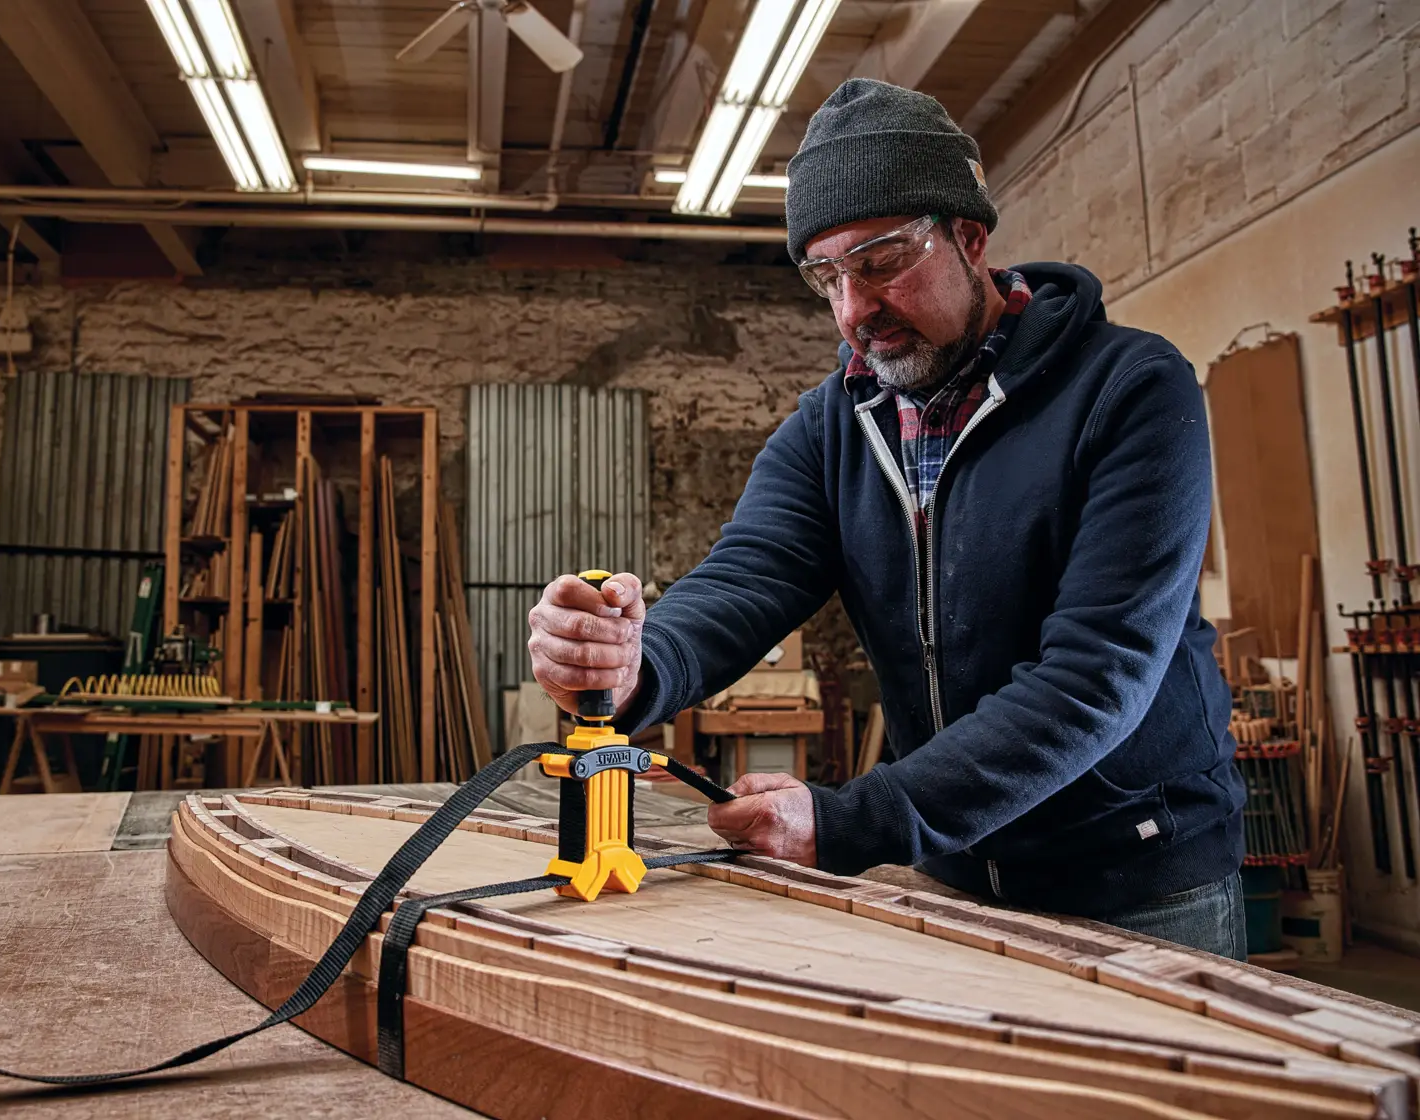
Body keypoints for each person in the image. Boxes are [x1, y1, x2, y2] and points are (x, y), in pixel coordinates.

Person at [526, 79, 1247, 959]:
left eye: (880, 262)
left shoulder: (1128, 390)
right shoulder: (833, 425)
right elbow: (749, 576)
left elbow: (1097, 674)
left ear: (969, 238)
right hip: (952, 872)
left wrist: (856, 820)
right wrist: (633, 662)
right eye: (826, 277)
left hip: (1138, 880)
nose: (853, 310)